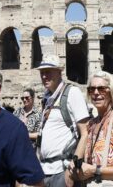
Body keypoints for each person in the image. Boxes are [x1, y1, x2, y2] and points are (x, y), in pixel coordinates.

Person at [68, 71, 113, 184]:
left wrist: (95, 170)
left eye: (101, 88)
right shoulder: (92, 124)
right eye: (91, 89)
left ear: (111, 91)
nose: (96, 93)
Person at [36, 58, 89, 187]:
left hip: (62, 170)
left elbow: (86, 132)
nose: (44, 76)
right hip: (44, 170)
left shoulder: (72, 93)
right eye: (42, 72)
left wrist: (73, 166)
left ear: (59, 72)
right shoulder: (47, 98)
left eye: (48, 72)